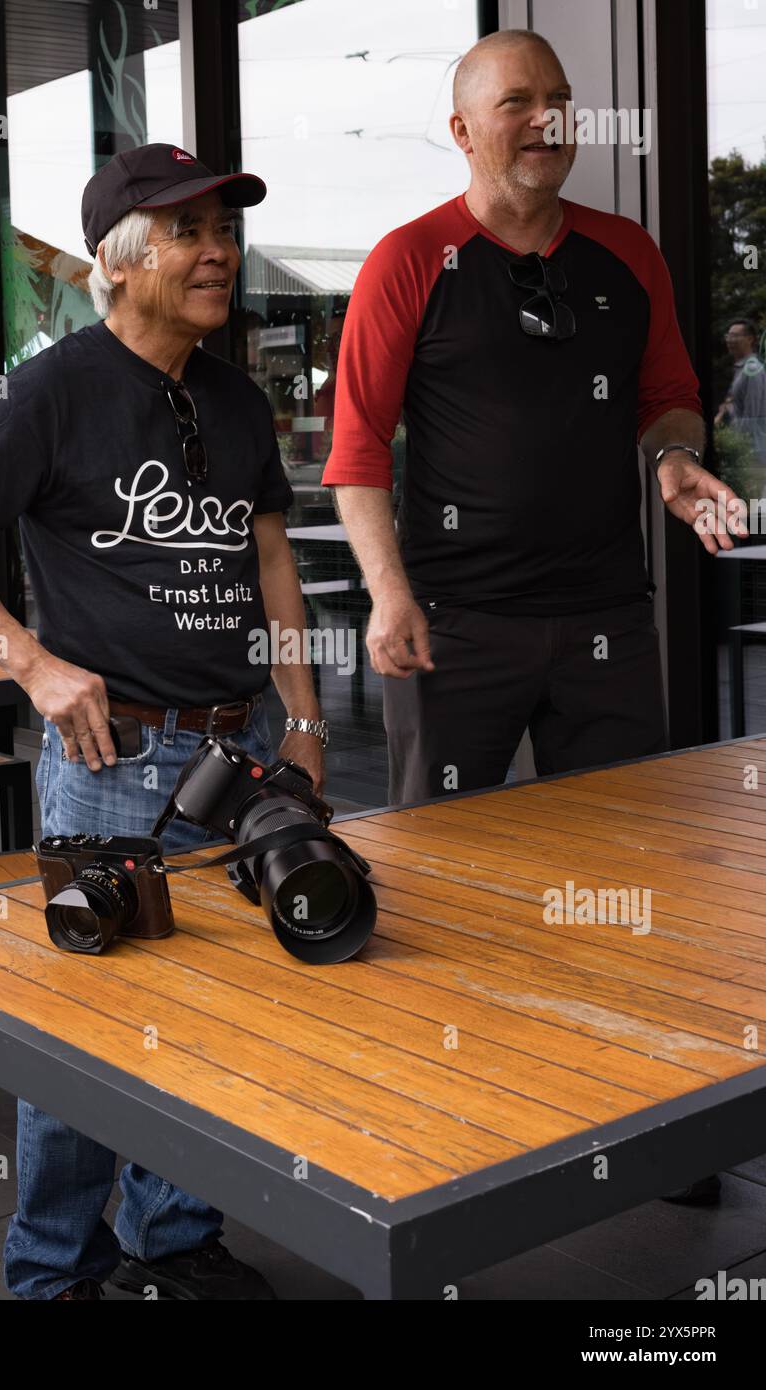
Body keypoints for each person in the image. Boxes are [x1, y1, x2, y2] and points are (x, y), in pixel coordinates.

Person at [0, 143, 328, 1298]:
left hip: (240, 752)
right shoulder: (50, 390)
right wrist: (34, 667)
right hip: (111, 763)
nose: (218, 252)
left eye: (222, 230)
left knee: (216, 1018)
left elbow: (269, 553)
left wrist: (304, 714)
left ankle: (174, 1246)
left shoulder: (235, 393)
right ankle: (54, 1274)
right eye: (188, 232)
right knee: (86, 1035)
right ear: (118, 261)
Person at [321, 30, 734, 1204]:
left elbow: (667, 401)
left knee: (623, 885)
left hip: (607, 616)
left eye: (559, 100)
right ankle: (429, 1120)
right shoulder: (410, 260)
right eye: (518, 102)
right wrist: (390, 591)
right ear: (463, 130)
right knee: (432, 884)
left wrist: (672, 465)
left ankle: (642, 1128)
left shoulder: (625, 255)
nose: (546, 119)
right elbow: (356, 453)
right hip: (456, 625)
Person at [715, 317, 766, 493]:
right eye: (728, 335)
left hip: (751, 454)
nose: (730, 340)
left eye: (735, 336)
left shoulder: (752, 370)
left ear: (750, 339)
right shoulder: (742, 369)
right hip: (744, 453)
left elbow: (753, 417)